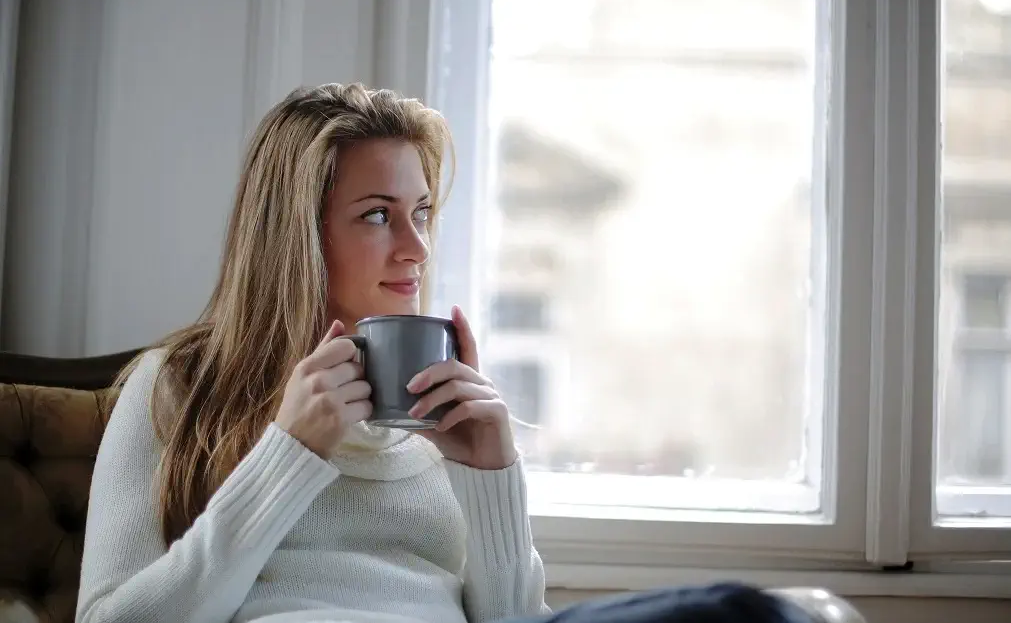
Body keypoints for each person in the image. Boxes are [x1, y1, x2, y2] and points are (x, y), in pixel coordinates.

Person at [75, 83, 822, 623]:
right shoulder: (177, 387)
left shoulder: (437, 402)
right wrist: (286, 455)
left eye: (422, 212)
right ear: (295, 236)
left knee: (743, 614)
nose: (417, 248)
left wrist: (490, 476)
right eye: (378, 216)